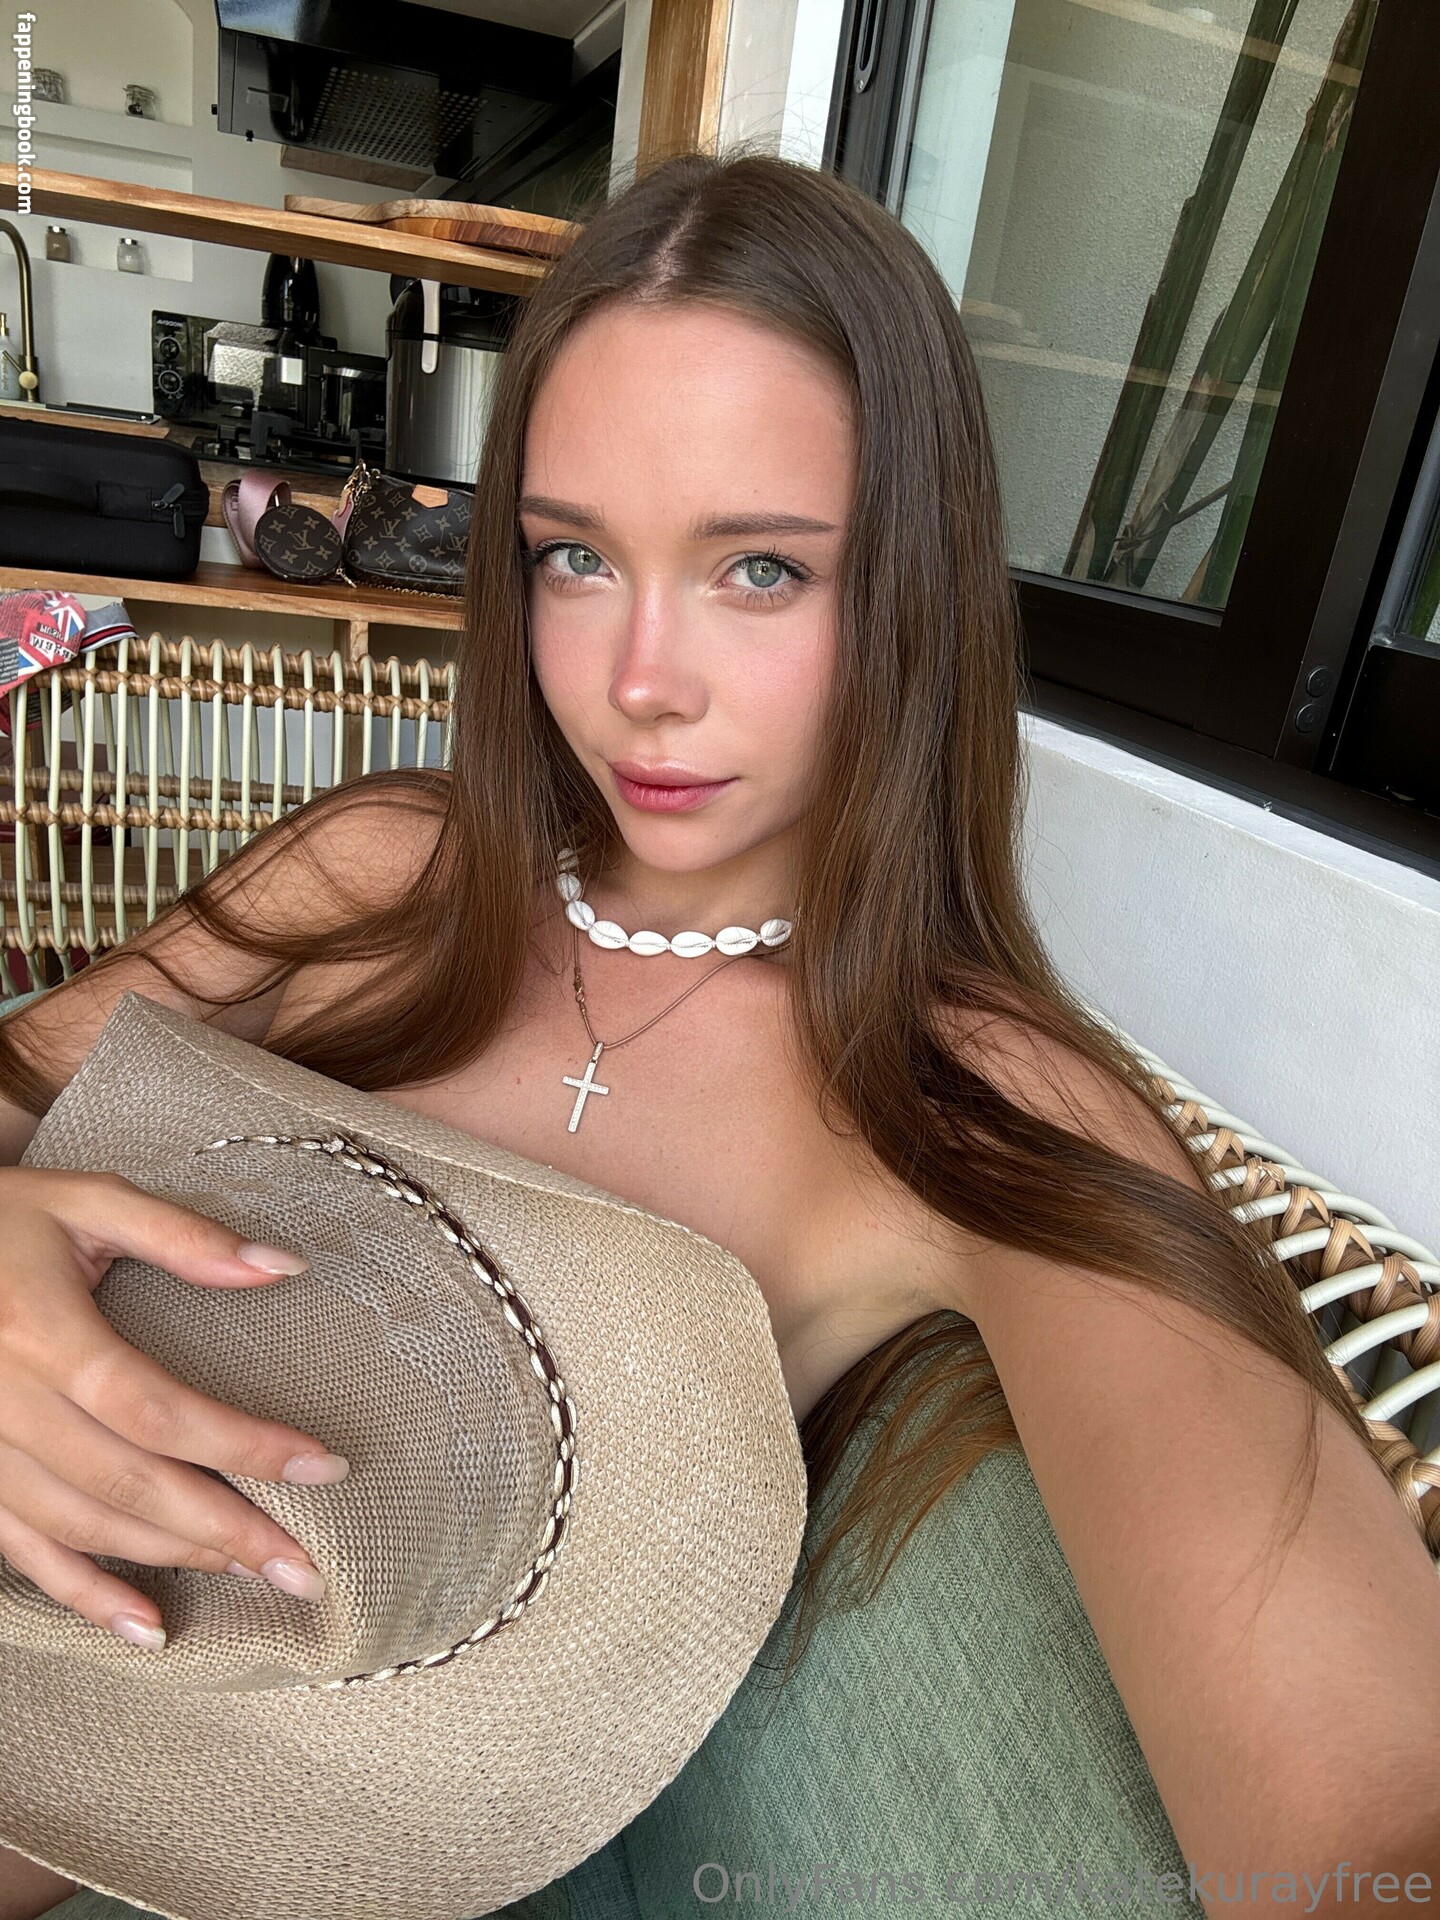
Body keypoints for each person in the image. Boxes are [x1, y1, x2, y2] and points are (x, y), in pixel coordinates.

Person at [1, 145, 1438, 1920]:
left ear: (912, 586)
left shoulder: (965, 1097)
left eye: (759, 568)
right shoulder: (380, 871)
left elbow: (1367, 1806)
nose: (640, 681)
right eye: (575, 557)